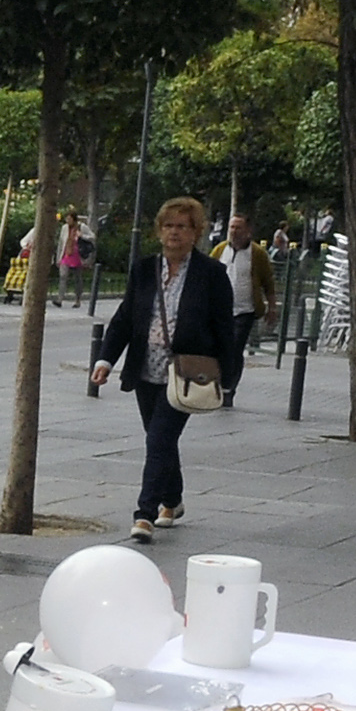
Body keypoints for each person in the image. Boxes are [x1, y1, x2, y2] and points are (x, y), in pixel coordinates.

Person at [89, 196, 235, 544]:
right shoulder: (144, 270)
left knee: (159, 439)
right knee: (160, 440)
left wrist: (227, 377)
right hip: (146, 368)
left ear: (195, 232)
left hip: (185, 372)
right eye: (168, 226)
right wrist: (105, 360)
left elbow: (224, 329)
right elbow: (125, 318)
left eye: (182, 227)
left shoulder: (211, 274)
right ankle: (173, 499)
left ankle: (145, 513)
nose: (174, 233)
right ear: (159, 231)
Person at [210, 212, 278, 399]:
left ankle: (229, 388)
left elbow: (268, 283)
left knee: (234, 348)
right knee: (218, 348)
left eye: (238, 227)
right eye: (232, 227)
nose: (234, 231)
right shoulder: (220, 250)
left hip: (244, 311)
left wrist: (272, 308)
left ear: (248, 230)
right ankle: (217, 383)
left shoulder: (257, 254)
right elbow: (207, 276)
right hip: (220, 311)